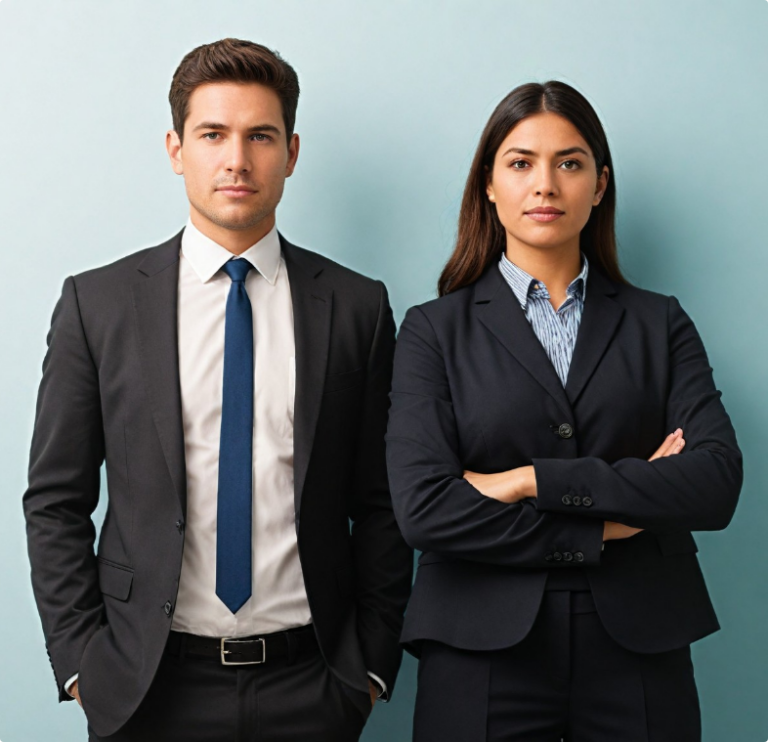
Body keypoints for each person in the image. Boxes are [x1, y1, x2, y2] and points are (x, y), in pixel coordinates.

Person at [24, 38, 412, 742]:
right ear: (176, 149)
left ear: (291, 152)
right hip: (148, 687)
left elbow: (382, 501)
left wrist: (370, 665)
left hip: (313, 683)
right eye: (213, 135)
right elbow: (55, 499)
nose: (237, 159)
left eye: (260, 136)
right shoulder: (98, 304)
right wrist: (83, 664)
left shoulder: (356, 307)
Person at [386, 81, 742, 741]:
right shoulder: (434, 330)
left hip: (640, 645)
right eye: (520, 163)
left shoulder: (657, 324)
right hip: (478, 647)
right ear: (488, 185)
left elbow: (715, 481)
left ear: (600, 184)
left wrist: (530, 481)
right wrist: (610, 524)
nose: (545, 184)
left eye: (569, 163)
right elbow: (425, 508)